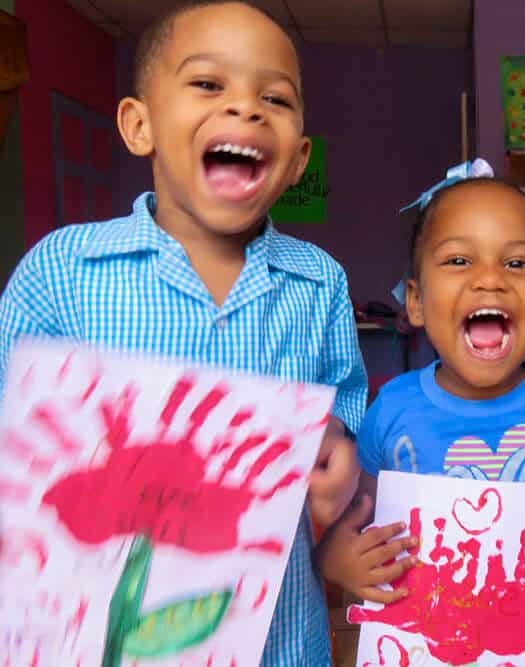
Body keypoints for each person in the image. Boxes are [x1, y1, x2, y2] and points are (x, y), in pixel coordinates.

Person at [0, 2, 366, 663]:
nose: (246, 109)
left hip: (279, 634)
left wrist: (339, 455)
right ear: (139, 126)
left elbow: (342, 415)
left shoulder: (320, 284)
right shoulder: (62, 270)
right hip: (97, 629)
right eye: (208, 83)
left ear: (296, 159)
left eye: (275, 97)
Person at [321, 159, 525, 618]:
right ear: (415, 301)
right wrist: (337, 558)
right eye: (458, 260)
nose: (490, 279)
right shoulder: (390, 411)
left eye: (517, 262)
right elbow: (356, 519)